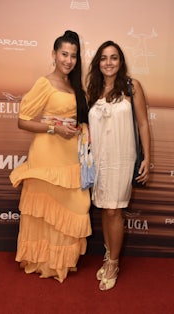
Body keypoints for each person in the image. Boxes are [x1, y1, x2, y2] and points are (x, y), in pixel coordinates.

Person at [10, 30, 92, 283]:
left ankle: (60, 262)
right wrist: (54, 128)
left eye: (73, 56)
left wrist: (81, 131)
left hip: (70, 157)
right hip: (46, 155)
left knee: (76, 206)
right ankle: (41, 261)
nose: (68, 60)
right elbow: (22, 121)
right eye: (64, 54)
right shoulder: (44, 83)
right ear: (54, 55)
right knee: (43, 210)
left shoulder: (76, 87)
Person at [86, 40, 150, 290]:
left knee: (115, 210)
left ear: (120, 62)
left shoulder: (132, 86)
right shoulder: (93, 88)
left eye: (113, 57)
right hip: (99, 160)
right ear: (98, 63)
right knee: (104, 208)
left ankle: (113, 262)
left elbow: (143, 123)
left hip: (123, 159)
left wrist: (146, 158)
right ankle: (108, 252)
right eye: (103, 58)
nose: (108, 62)